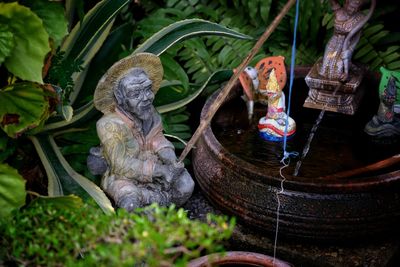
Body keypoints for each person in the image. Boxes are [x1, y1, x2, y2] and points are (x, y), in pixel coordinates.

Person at [91, 53, 194, 211]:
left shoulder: (148, 111)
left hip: (155, 166)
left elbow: (157, 138)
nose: (146, 98)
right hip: (123, 177)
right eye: (135, 94)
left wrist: (169, 160)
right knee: (130, 200)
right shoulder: (108, 125)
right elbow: (120, 164)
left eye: (147, 90)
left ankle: (163, 210)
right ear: (120, 97)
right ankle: (148, 214)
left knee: (186, 184)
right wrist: (159, 171)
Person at [319, 0, 375, 82]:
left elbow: (355, 40)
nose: (352, 10)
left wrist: (348, 51)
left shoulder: (360, 18)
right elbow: (332, 2)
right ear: (346, 3)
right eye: (351, 7)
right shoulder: (339, 12)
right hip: (333, 42)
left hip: (346, 45)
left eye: (355, 8)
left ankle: (348, 67)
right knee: (326, 67)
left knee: (338, 70)